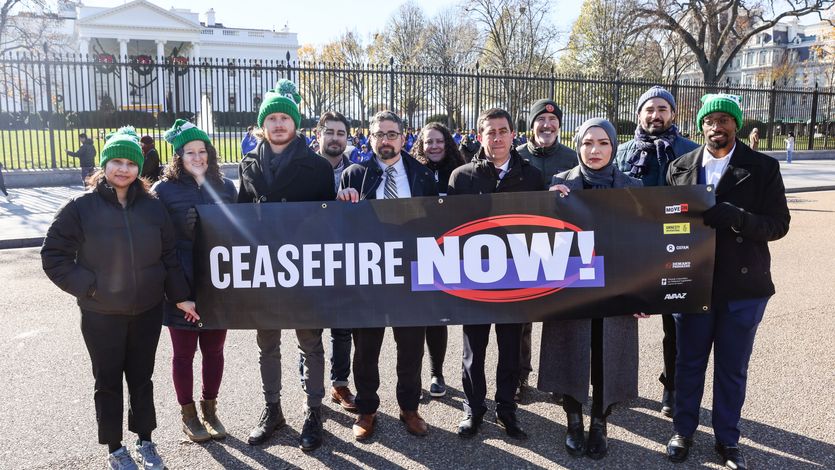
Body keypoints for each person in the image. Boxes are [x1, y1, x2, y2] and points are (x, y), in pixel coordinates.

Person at [41, 126, 196, 470]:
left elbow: (168, 257)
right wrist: (91, 287)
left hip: (147, 311)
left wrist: (182, 297)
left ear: (139, 168)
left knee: (142, 379)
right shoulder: (80, 208)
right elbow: (54, 255)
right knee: (108, 381)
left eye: (130, 162)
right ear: (104, 164)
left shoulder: (153, 208)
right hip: (101, 314)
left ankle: (146, 440)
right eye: (116, 161)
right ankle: (115, 447)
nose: (123, 169)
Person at [664, 94, 790, 470]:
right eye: (709, 120)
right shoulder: (680, 167)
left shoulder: (762, 168)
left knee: (732, 367)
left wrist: (738, 218)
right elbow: (666, 222)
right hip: (693, 279)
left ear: (736, 124)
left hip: (743, 286)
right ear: (700, 125)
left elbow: (778, 225)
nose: (716, 127)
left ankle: (727, 440)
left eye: (724, 120)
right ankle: (683, 430)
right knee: (688, 362)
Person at [238, 79, 336, 452]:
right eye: (272, 118)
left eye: (285, 117)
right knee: (267, 344)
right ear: (263, 124)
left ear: (295, 123)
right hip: (264, 270)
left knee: (310, 342)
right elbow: (239, 220)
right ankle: (272, 409)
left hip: (303, 269)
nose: (279, 124)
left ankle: (314, 411)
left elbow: (327, 222)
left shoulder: (316, 166)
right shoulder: (248, 165)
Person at [541, 118, 644, 460]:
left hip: (615, 287)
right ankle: (573, 421)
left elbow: (645, 242)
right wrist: (547, 203)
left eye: (603, 143)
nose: (595, 150)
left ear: (614, 147)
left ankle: (599, 422)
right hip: (573, 287)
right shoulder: (560, 182)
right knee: (569, 351)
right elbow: (542, 236)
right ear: (579, 146)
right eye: (587, 143)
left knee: (607, 355)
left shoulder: (632, 186)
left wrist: (643, 291)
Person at [337, 111, 438, 441]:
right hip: (369, 275)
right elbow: (338, 226)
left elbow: (436, 223)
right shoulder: (355, 174)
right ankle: (367, 410)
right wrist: (342, 203)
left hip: (411, 275)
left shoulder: (421, 174)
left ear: (403, 137)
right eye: (379, 134)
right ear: (369, 138)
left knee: (411, 347)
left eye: (391, 134)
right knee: (365, 348)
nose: (385, 140)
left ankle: (409, 408)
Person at [447, 108, 544, 440]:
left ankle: (507, 409)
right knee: (474, 349)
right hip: (475, 278)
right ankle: (474, 409)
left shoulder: (532, 177)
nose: (498, 137)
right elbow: (449, 231)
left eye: (503, 131)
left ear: (513, 134)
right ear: (480, 135)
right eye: (491, 132)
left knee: (511, 348)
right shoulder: (462, 177)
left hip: (516, 278)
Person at [615, 86, 699, 418]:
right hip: (632, 253)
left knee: (675, 327)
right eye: (649, 109)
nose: (656, 115)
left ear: (673, 114)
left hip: (676, 249)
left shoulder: (691, 151)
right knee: (619, 321)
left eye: (663, 108)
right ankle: (615, 385)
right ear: (639, 114)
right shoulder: (621, 152)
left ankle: (673, 387)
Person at [152, 120, 237, 443]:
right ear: (179, 156)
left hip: (218, 284)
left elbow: (240, 235)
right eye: (190, 152)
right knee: (184, 353)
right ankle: (188, 414)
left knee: (214, 351)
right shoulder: (164, 190)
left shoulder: (226, 187)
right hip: (181, 286)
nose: (198, 157)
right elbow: (160, 244)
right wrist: (177, 294)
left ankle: (210, 409)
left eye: (203, 151)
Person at [514, 98, 577, 401]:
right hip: (522, 246)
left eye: (553, 121)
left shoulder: (573, 158)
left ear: (559, 126)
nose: (547, 125)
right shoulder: (516, 156)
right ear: (532, 124)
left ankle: (560, 381)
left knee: (560, 315)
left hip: (560, 246)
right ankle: (519, 375)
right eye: (541, 120)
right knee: (521, 317)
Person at [410, 122, 466, 398]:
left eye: (439, 141)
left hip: (445, 255)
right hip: (416, 252)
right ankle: (415, 375)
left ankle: (437, 373)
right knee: (414, 320)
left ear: (447, 143)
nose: (433, 146)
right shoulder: (412, 173)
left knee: (437, 319)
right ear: (421, 144)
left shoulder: (458, 174)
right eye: (428, 141)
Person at [314, 111, 359, 413]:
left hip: (345, 257)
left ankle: (339, 383)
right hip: (311, 256)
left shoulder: (358, 171)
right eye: (329, 132)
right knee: (310, 327)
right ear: (318, 135)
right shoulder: (303, 169)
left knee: (343, 327)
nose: (335, 138)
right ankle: (311, 391)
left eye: (340, 133)